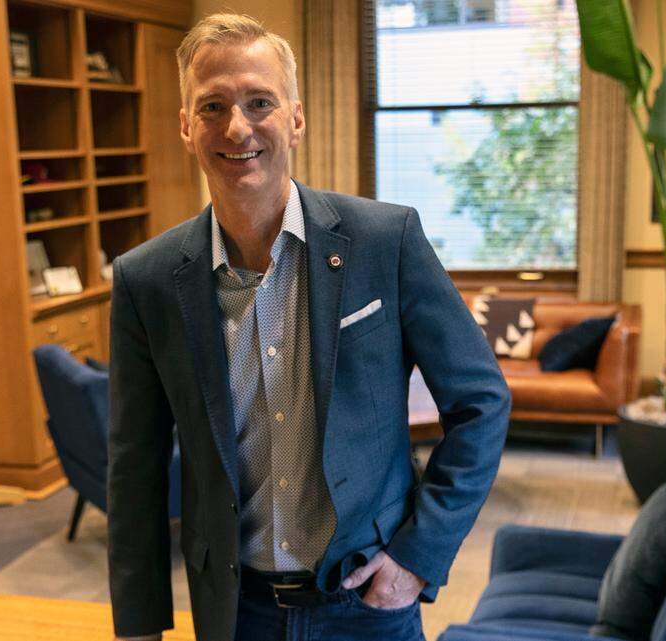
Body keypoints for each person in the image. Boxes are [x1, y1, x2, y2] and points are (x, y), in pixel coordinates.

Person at [107, 13, 510, 641]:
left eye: (258, 101)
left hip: (367, 600)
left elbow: (481, 401)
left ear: (296, 117)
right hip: (236, 612)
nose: (237, 126)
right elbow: (135, 465)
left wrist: (415, 558)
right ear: (187, 127)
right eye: (212, 106)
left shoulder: (386, 240)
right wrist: (138, 625)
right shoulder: (147, 280)